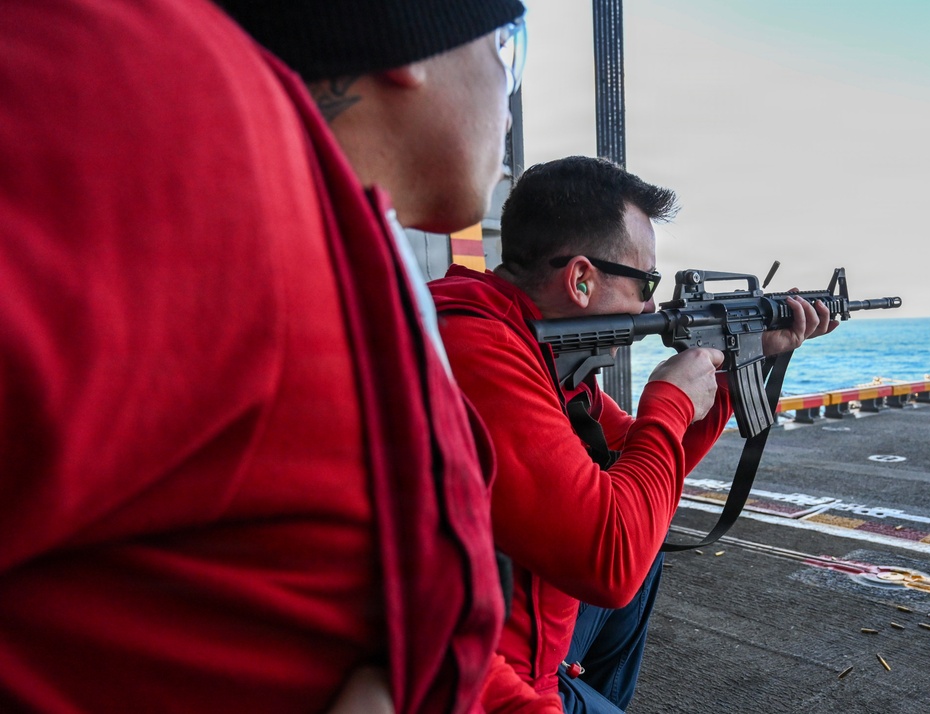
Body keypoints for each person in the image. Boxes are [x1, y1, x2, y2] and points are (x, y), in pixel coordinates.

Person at [0, 0, 527, 712]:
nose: (510, 106)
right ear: (410, 37)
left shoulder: (307, 210)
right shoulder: (173, 110)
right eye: (509, 46)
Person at [429, 155, 837, 713]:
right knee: (634, 554)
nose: (650, 303)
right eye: (645, 281)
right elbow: (611, 558)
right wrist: (668, 401)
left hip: (518, 634)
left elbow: (645, 471)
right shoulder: (480, 352)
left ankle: (589, 695)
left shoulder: (540, 352)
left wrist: (732, 366)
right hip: (480, 673)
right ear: (580, 278)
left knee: (650, 548)